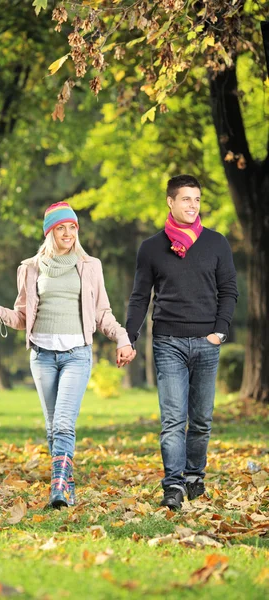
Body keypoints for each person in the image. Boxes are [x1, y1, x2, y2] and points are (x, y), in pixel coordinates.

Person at [0, 201, 136, 509]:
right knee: (52, 427)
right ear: (50, 232)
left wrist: (122, 339)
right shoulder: (30, 268)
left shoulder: (91, 266)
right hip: (42, 355)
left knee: (64, 423)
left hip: (77, 354)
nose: (67, 233)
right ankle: (66, 484)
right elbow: (23, 317)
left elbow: (102, 312)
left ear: (77, 229)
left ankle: (58, 488)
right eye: (60, 227)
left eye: (72, 227)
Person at [126, 175, 238, 510]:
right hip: (168, 342)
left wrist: (219, 331)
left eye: (197, 200)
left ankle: (194, 478)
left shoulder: (217, 244)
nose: (193, 206)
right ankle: (172, 485)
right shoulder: (151, 248)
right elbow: (139, 298)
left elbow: (229, 291)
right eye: (186, 199)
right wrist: (128, 337)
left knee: (201, 419)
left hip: (207, 342)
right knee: (173, 419)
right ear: (171, 202)